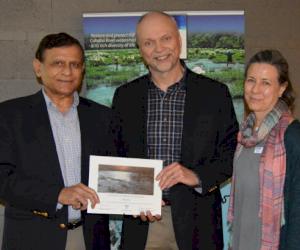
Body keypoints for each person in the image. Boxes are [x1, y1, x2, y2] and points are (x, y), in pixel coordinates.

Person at [112, 11, 239, 250]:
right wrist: (134, 196)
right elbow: (114, 156)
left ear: (179, 40)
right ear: (140, 49)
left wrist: (198, 176)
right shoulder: (125, 97)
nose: (159, 49)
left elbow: (231, 153)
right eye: (148, 43)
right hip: (143, 224)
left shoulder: (215, 94)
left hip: (198, 225)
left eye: (166, 38)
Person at [0, 33, 114, 250]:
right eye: (58, 63)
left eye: (75, 64)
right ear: (38, 67)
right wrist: (58, 194)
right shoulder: (9, 115)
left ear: (82, 69)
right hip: (33, 240)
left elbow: (117, 172)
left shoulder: (103, 117)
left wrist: (142, 200)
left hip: (89, 239)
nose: (67, 72)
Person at [228, 49, 300, 250]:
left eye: (266, 83)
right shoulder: (244, 136)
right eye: (251, 80)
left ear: (281, 88)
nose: (255, 89)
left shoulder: (292, 136)